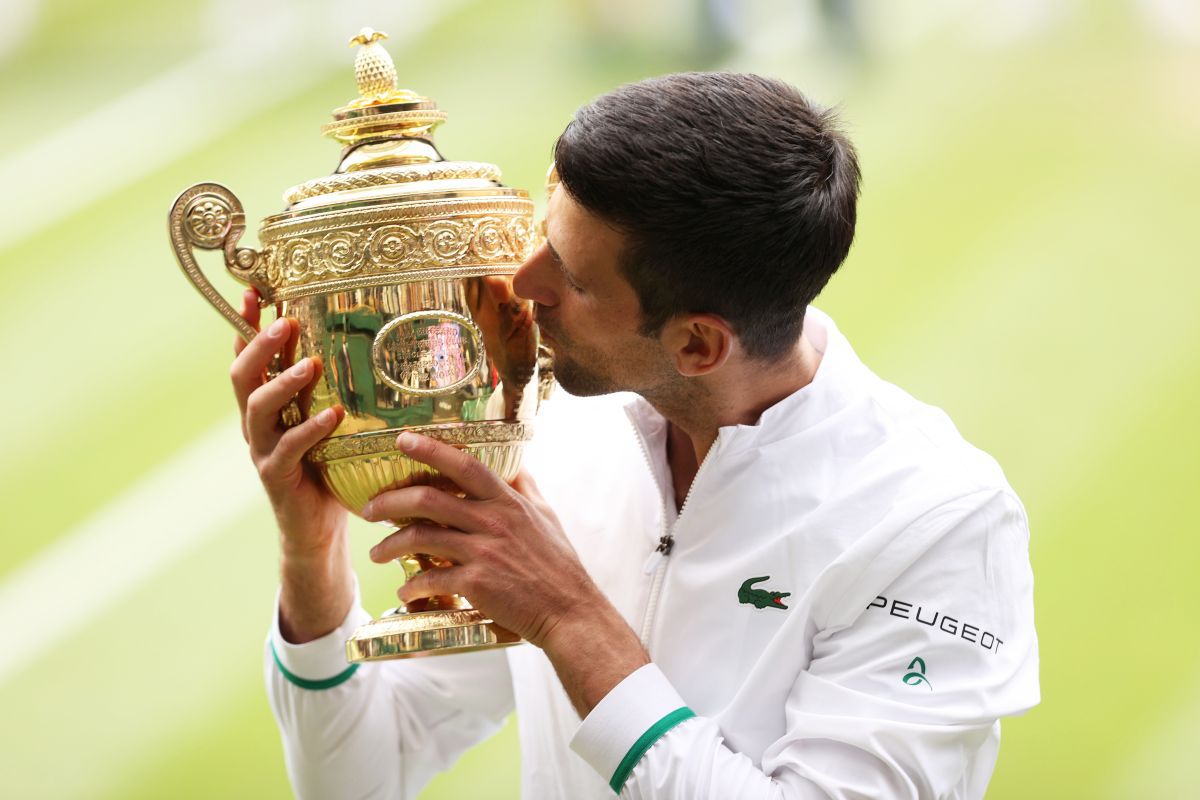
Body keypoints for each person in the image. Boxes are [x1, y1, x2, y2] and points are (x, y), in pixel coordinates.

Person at [230, 72, 1039, 799]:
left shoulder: (936, 521)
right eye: (543, 234)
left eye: (572, 279)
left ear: (696, 345)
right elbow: (359, 777)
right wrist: (310, 552)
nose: (522, 285)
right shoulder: (549, 425)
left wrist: (569, 618)